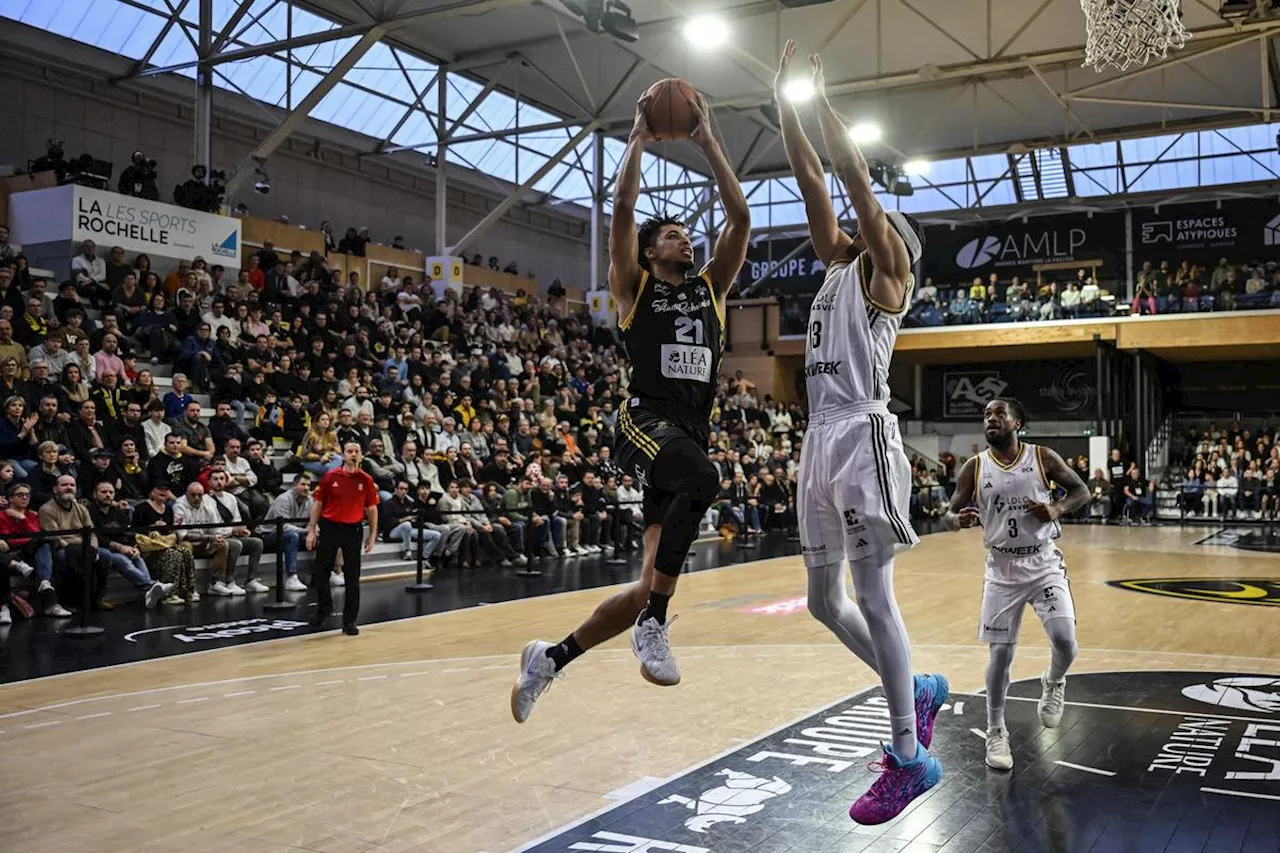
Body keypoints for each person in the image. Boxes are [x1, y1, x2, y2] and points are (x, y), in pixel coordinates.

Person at [511, 80, 750, 719]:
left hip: (687, 437)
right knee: (704, 476)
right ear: (650, 250)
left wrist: (708, 140)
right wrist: (639, 138)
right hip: (644, 423)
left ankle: (548, 659)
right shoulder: (633, 287)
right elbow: (620, 208)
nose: (685, 240)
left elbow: (741, 218)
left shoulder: (711, 289)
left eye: (686, 235)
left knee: (647, 580)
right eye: (672, 235)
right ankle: (657, 624)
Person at [774, 40, 946, 824]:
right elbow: (815, 180)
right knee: (821, 599)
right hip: (820, 436)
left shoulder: (887, 276)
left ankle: (909, 754)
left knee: (873, 594)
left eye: (881, 225)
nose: (863, 225)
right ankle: (911, 684)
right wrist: (785, 102)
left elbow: (853, 181)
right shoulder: (837, 267)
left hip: (863, 433)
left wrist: (821, 96)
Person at [943, 398, 1089, 772]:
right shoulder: (974, 467)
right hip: (1002, 569)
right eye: (986, 415)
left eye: (998, 414)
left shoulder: (1042, 457)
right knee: (1001, 655)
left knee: (1066, 641)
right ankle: (996, 730)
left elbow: (1081, 492)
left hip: (1042, 562)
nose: (990, 420)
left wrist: (1055, 510)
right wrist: (954, 520)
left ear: (1017, 422)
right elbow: (948, 512)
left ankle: (1053, 681)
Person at [306, 441, 379, 636]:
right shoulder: (331, 476)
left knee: (352, 577)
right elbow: (318, 504)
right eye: (349, 451)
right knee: (320, 573)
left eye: (356, 451)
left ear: (361, 455)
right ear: (343, 455)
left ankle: (349, 621)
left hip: (353, 529)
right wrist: (312, 530)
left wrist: (372, 535)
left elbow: (371, 509)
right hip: (330, 527)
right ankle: (324, 608)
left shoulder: (366, 480)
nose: (353, 454)